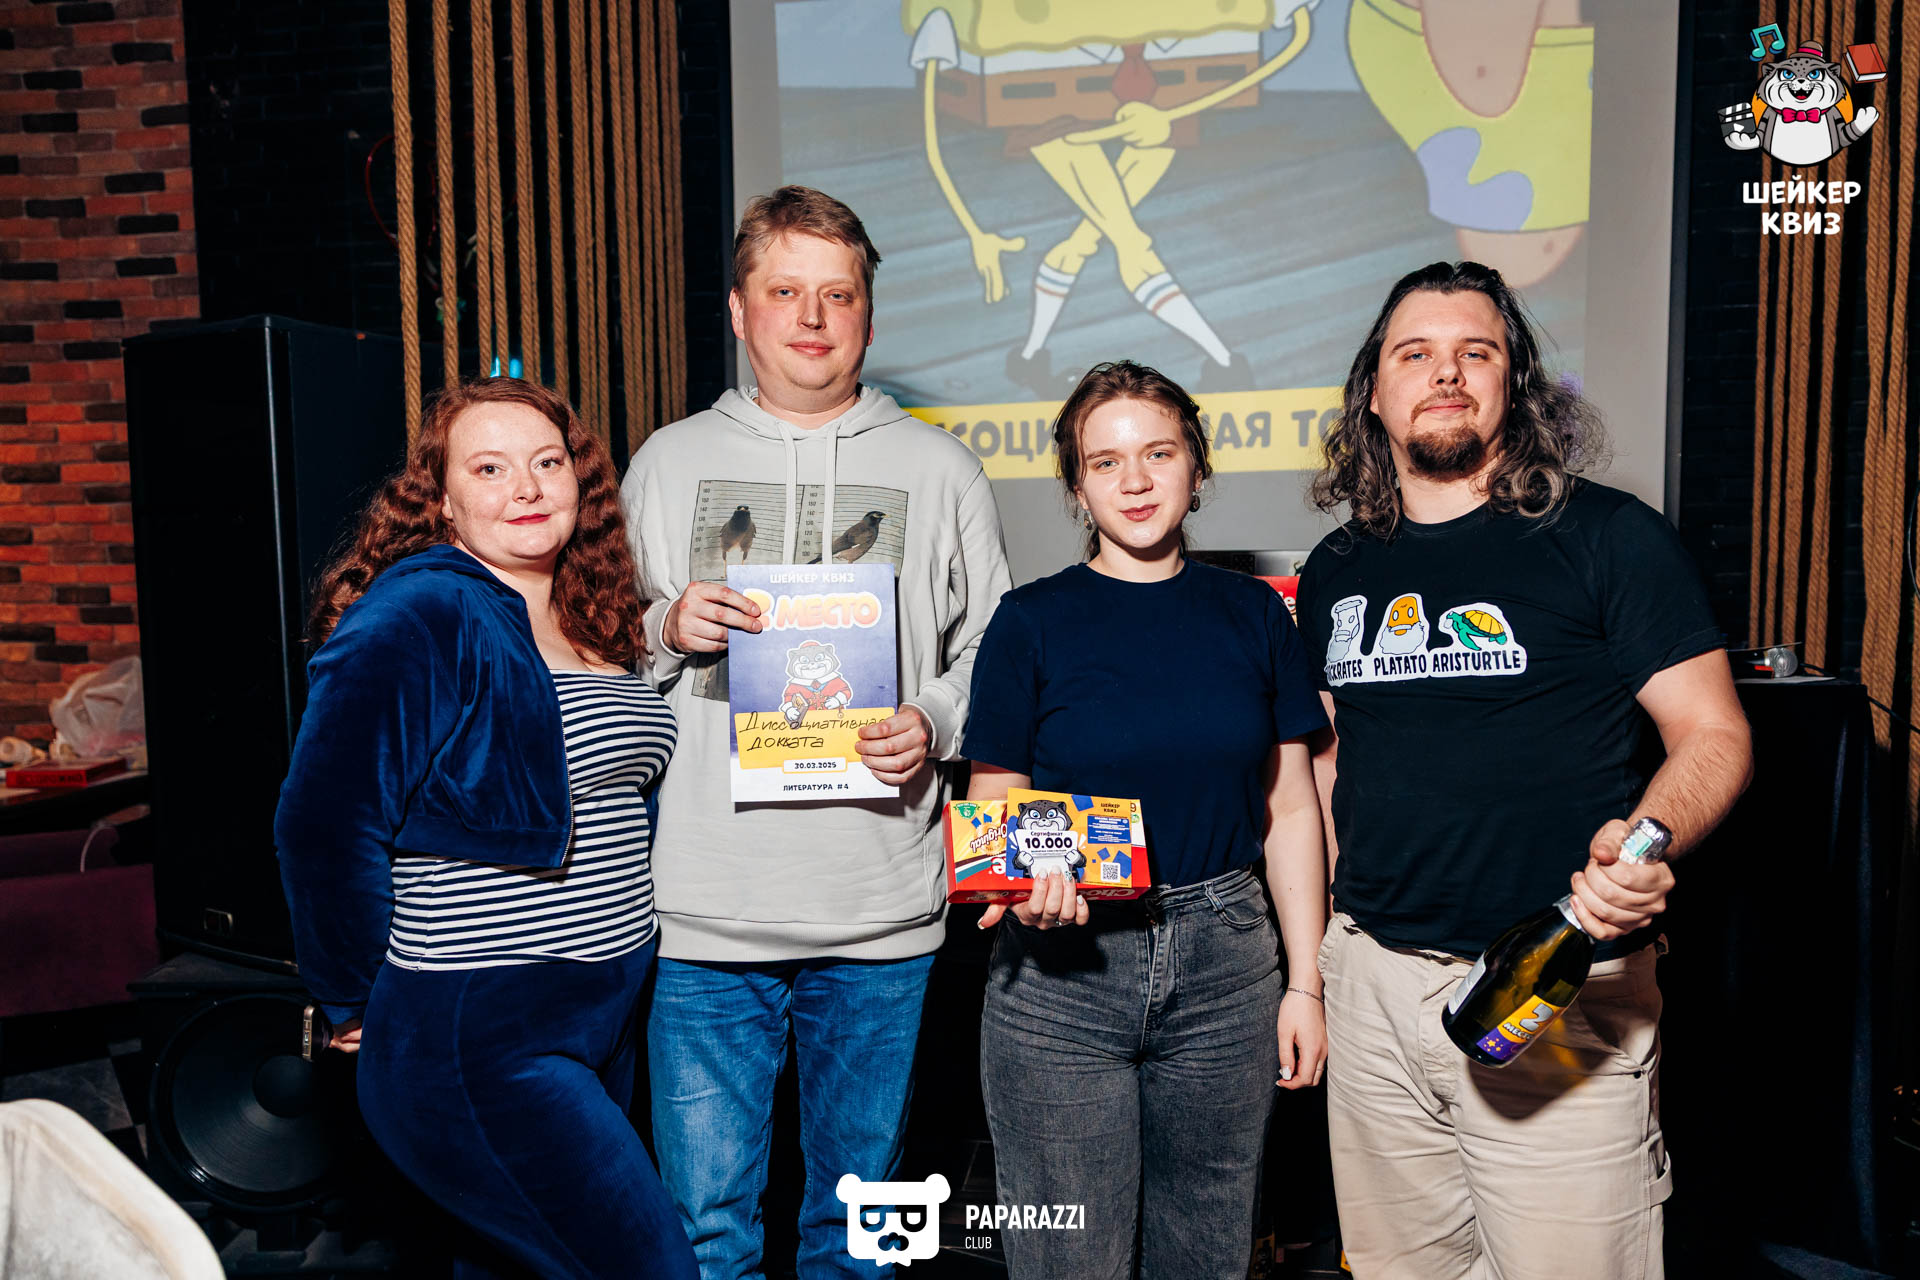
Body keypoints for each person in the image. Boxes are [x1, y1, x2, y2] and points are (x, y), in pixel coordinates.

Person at [1296, 262, 1754, 1280]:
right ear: (1374, 391)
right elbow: (1329, 764)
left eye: (1477, 351)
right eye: (1416, 353)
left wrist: (1642, 847)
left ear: (1517, 384)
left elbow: (1714, 733)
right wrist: (1324, 955)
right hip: (1372, 986)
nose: (1445, 373)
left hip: (1555, 985)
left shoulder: (1607, 536)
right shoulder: (1337, 567)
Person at [619, 186, 1012, 1279]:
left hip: (878, 909)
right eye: (785, 290)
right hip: (704, 911)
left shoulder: (942, 467)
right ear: (738, 309)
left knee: (862, 1236)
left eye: (838, 295)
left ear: (869, 318)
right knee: (704, 1235)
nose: (811, 317)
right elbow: (599, 650)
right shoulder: (666, 462)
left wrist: (935, 717)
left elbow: (997, 648)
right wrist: (665, 625)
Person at [275, 378, 698, 1280]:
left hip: (601, 1006)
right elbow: (323, 821)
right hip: (482, 1025)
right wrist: (351, 998)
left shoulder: (588, 614)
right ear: (441, 498)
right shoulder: (423, 609)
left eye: (548, 463)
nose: (528, 488)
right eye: (491, 469)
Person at [960, 360, 1330, 1279]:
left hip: (1227, 969)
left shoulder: (1255, 615)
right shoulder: (1028, 621)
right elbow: (996, 807)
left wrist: (1307, 985)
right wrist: (1027, 887)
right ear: (1077, 487)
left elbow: (1291, 808)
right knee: (1067, 1260)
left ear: (1196, 468)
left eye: (1158, 453)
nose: (1134, 480)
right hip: (1061, 977)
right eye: (1105, 462)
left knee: (1207, 1257)